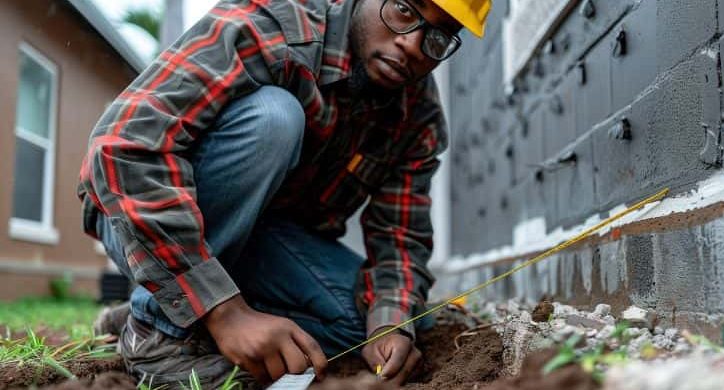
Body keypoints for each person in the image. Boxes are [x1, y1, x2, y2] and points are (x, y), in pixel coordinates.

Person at [80, 0, 490, 387]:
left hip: (262, 239)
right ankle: (160, 333)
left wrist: (389, 323)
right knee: (274, 119)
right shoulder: (274, 26)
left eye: (437, 37)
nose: (412, 44)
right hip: (139, 210)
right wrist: (225, 313)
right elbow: (124, 150)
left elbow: (399, 236)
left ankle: (158, 304)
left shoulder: (418, 116)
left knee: (373, 320)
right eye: (404, 10)